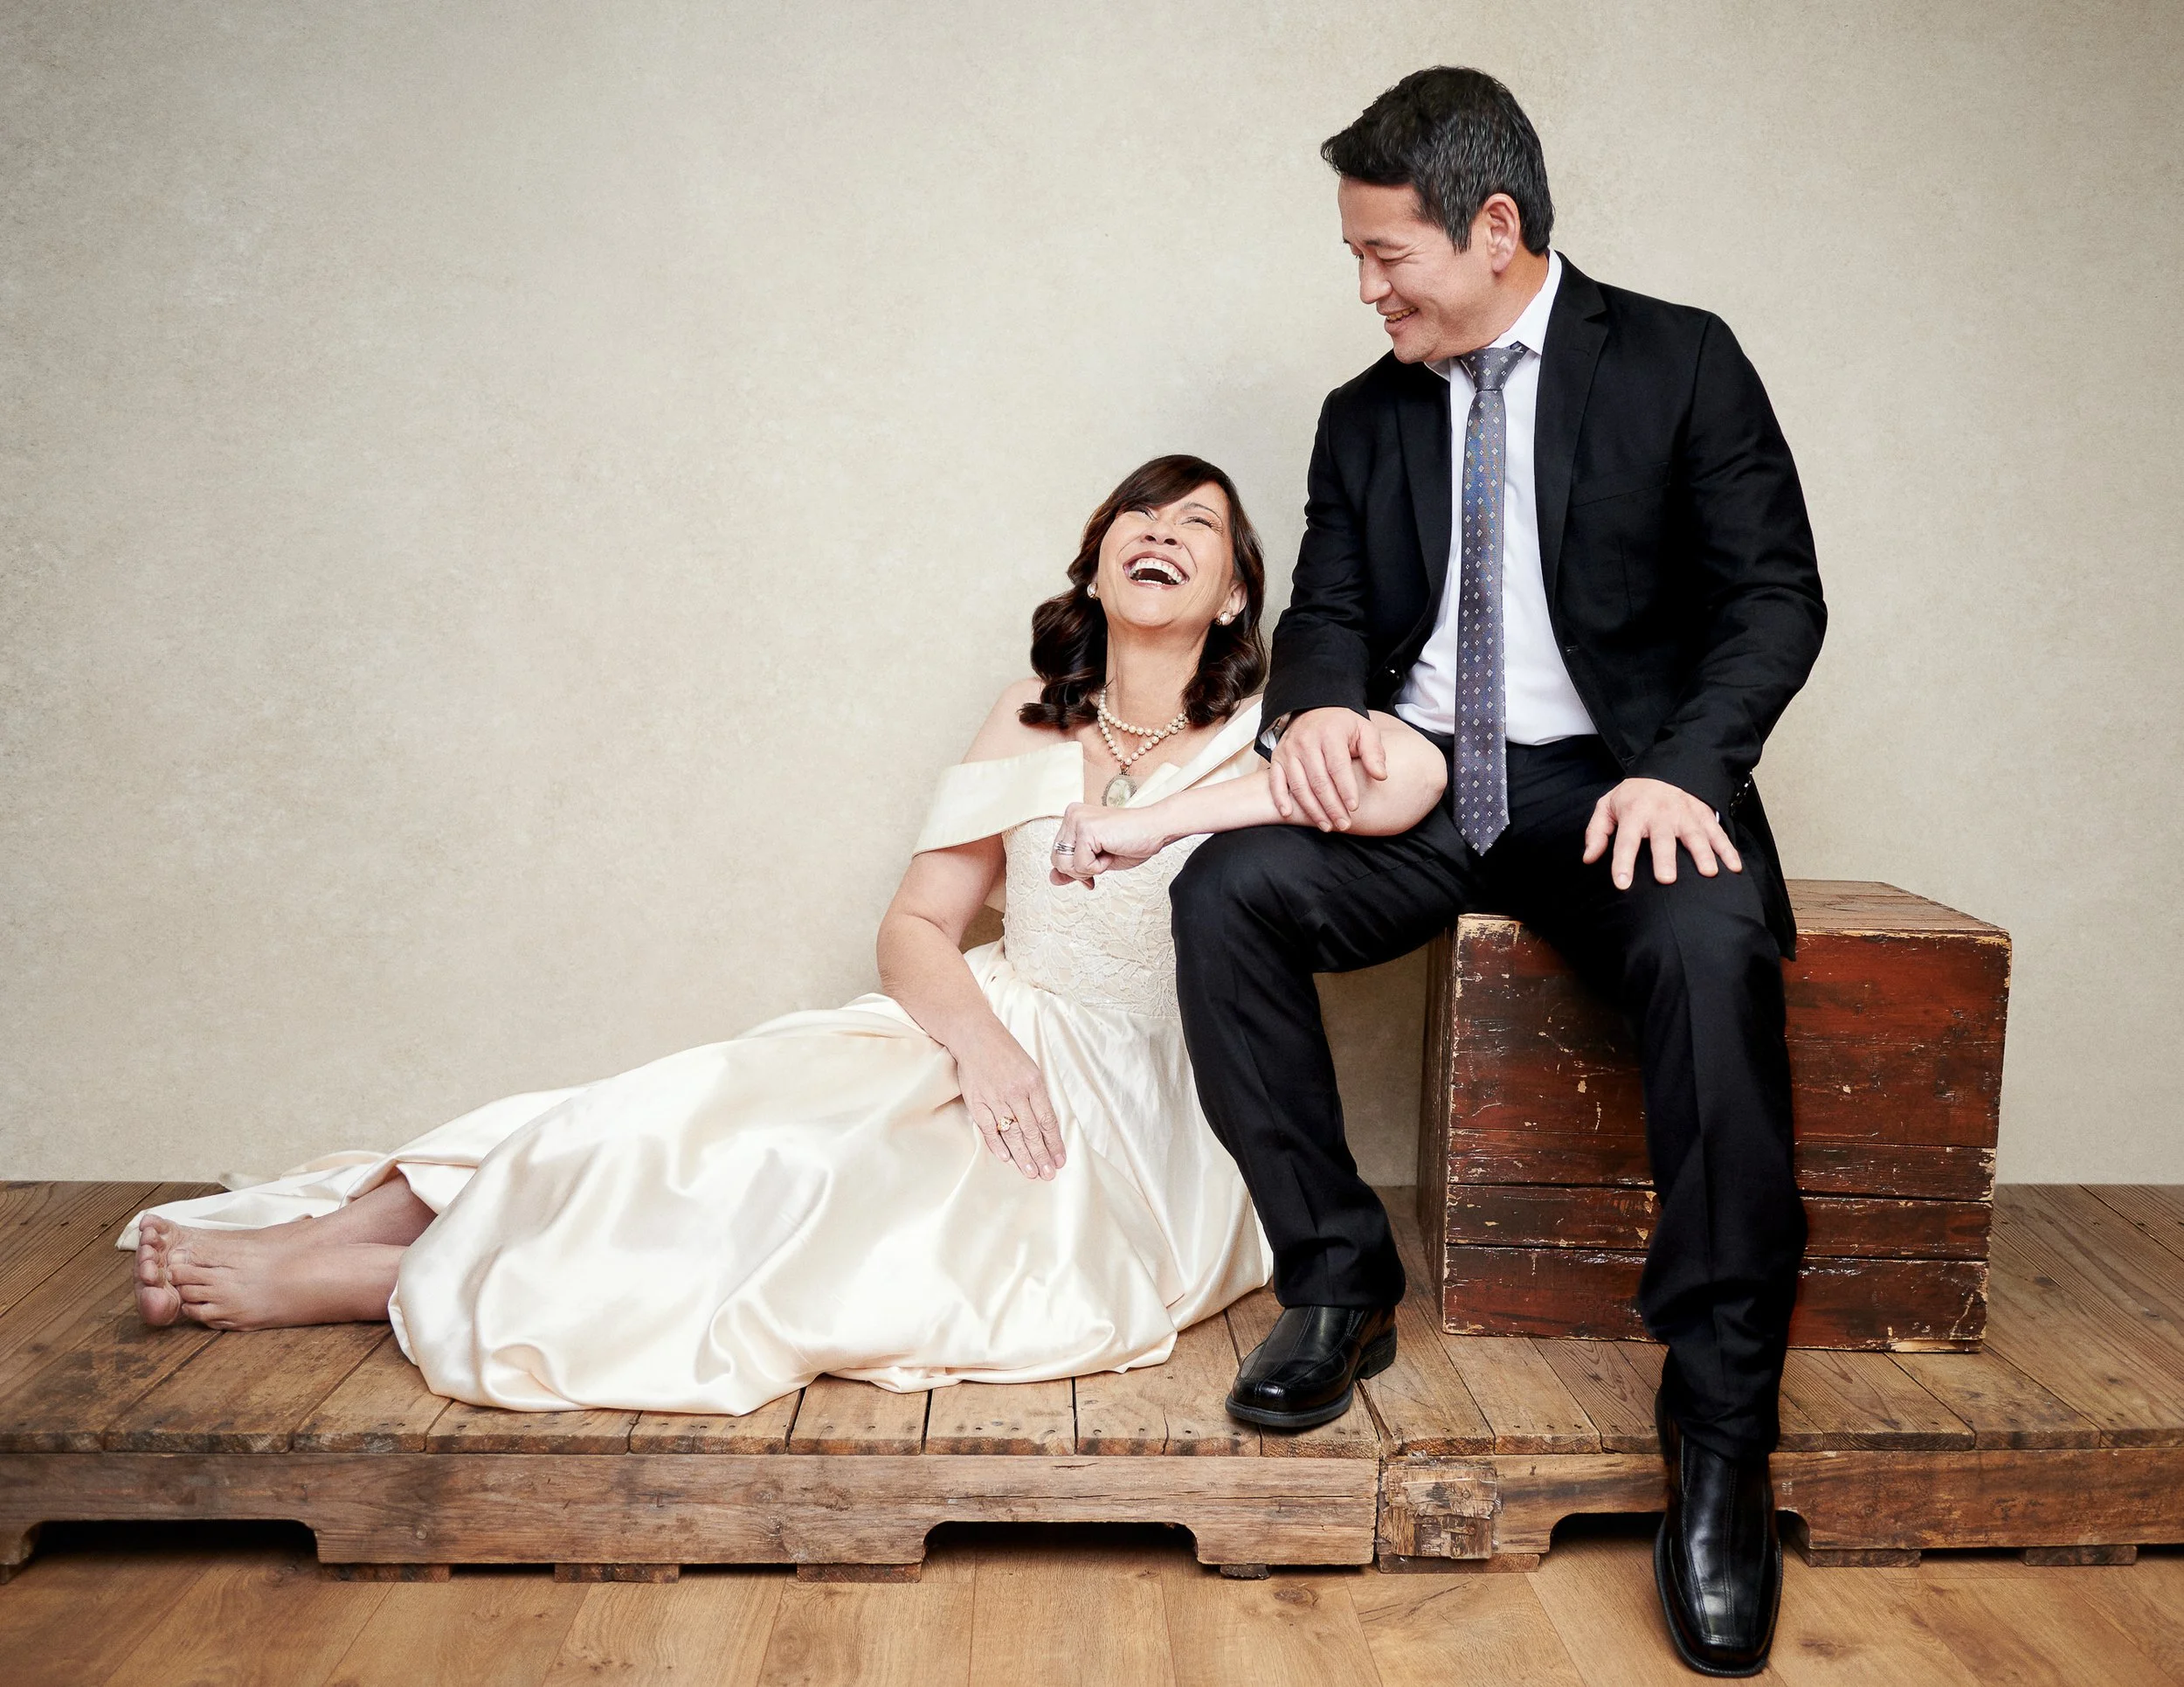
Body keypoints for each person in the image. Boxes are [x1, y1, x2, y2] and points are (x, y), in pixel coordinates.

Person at [124, 454, 1450, 1422]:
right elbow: (918, 924)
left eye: (1199, 523)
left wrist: (1172, 821)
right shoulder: (1028, 714)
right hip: (988, 1026)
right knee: (678, 1115)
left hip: (1150, 1093)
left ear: (1236, 593)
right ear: (1094, 563)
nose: (1161, 532)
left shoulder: (1274, 723)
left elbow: (1410, 780)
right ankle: (335, 1236)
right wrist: (985, 1048)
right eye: (1137, 517)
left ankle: (376, 1280)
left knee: (815, 1207)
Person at [1158, 70, 1825, 1677]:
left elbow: (1775, 598)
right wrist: (1321, 709)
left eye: (1386, 254)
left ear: (1496, 227)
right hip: (1418, 785)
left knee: (1713, 951)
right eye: (1357, 256)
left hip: (1617, 783)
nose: (1366, 287)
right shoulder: (1364, 414)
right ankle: (1339, 1279)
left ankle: (1720, 1426)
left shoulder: (1680, 359)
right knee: (1222, 895)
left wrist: (1687, 767)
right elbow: (1328, 606)